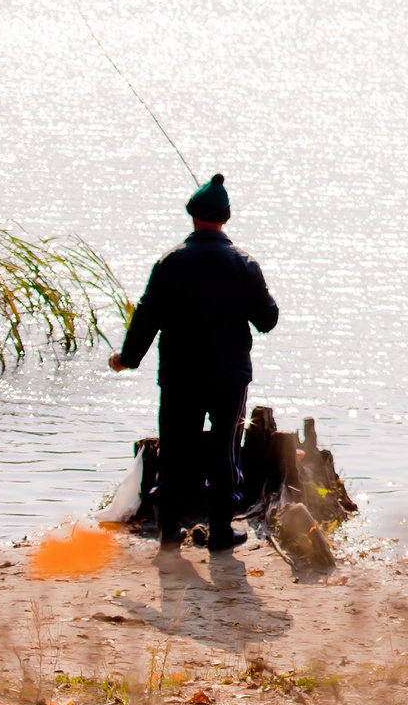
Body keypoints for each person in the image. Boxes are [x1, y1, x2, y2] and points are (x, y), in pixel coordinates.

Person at [108, 173, 280, 551]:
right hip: (229, 378)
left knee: (173, 451)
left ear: (192, 214)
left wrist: (127, 358)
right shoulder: (244, 264)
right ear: (226, 216)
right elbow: (267, 319)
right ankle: (220, 533)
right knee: (224, 453)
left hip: (179, 376)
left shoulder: (170, 262)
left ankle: (168, 533)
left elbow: (146, 316)